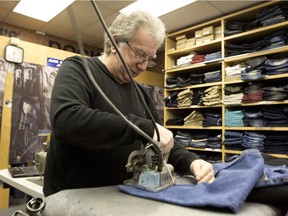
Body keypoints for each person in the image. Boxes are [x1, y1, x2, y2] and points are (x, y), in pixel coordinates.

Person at [43, 10, 215, 197]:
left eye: (149, 59)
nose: (143, 65)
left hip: (121, 198)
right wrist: (141, 128)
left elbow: (161, 138)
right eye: (139, 54)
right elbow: (66, 120)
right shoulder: (78, 69)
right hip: (71, 198)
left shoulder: (141, 92)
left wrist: (191, 161)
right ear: (115, 43)